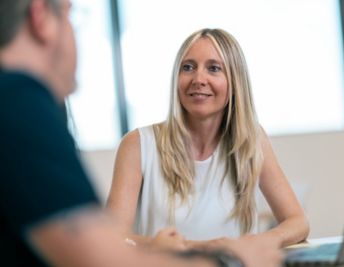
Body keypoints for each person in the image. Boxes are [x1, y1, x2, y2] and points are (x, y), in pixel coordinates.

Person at [0, 1, 282, 266]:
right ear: (41, 16)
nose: (199, 79)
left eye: (214, 68)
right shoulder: (17, 102)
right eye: (71, 13)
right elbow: (101, 258)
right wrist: (228, 261)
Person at [107, 28, 309, 262]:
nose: (198, 79)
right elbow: (113, 237)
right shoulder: (138, 145)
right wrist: (190, 247)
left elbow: (298, 221)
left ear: (235, 81)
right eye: (188, 67)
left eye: (213, 68)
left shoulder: (252, 141)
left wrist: (260, 242)